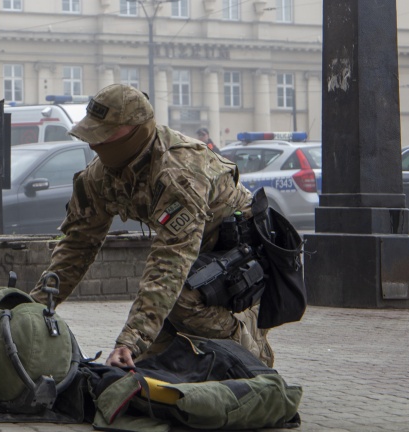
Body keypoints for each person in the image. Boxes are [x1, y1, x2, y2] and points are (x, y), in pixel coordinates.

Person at [30, 84, 275, 371]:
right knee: (146, 367)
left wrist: (130, 341)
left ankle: (250, 343)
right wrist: (34, 307)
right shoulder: (98, 178)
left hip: (238, 253)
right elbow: (77, 245)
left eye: (104, 132)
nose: (94, 143)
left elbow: (169, 263)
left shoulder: (178, 172)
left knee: (181, 302)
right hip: (195, 257)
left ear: (136, 130)